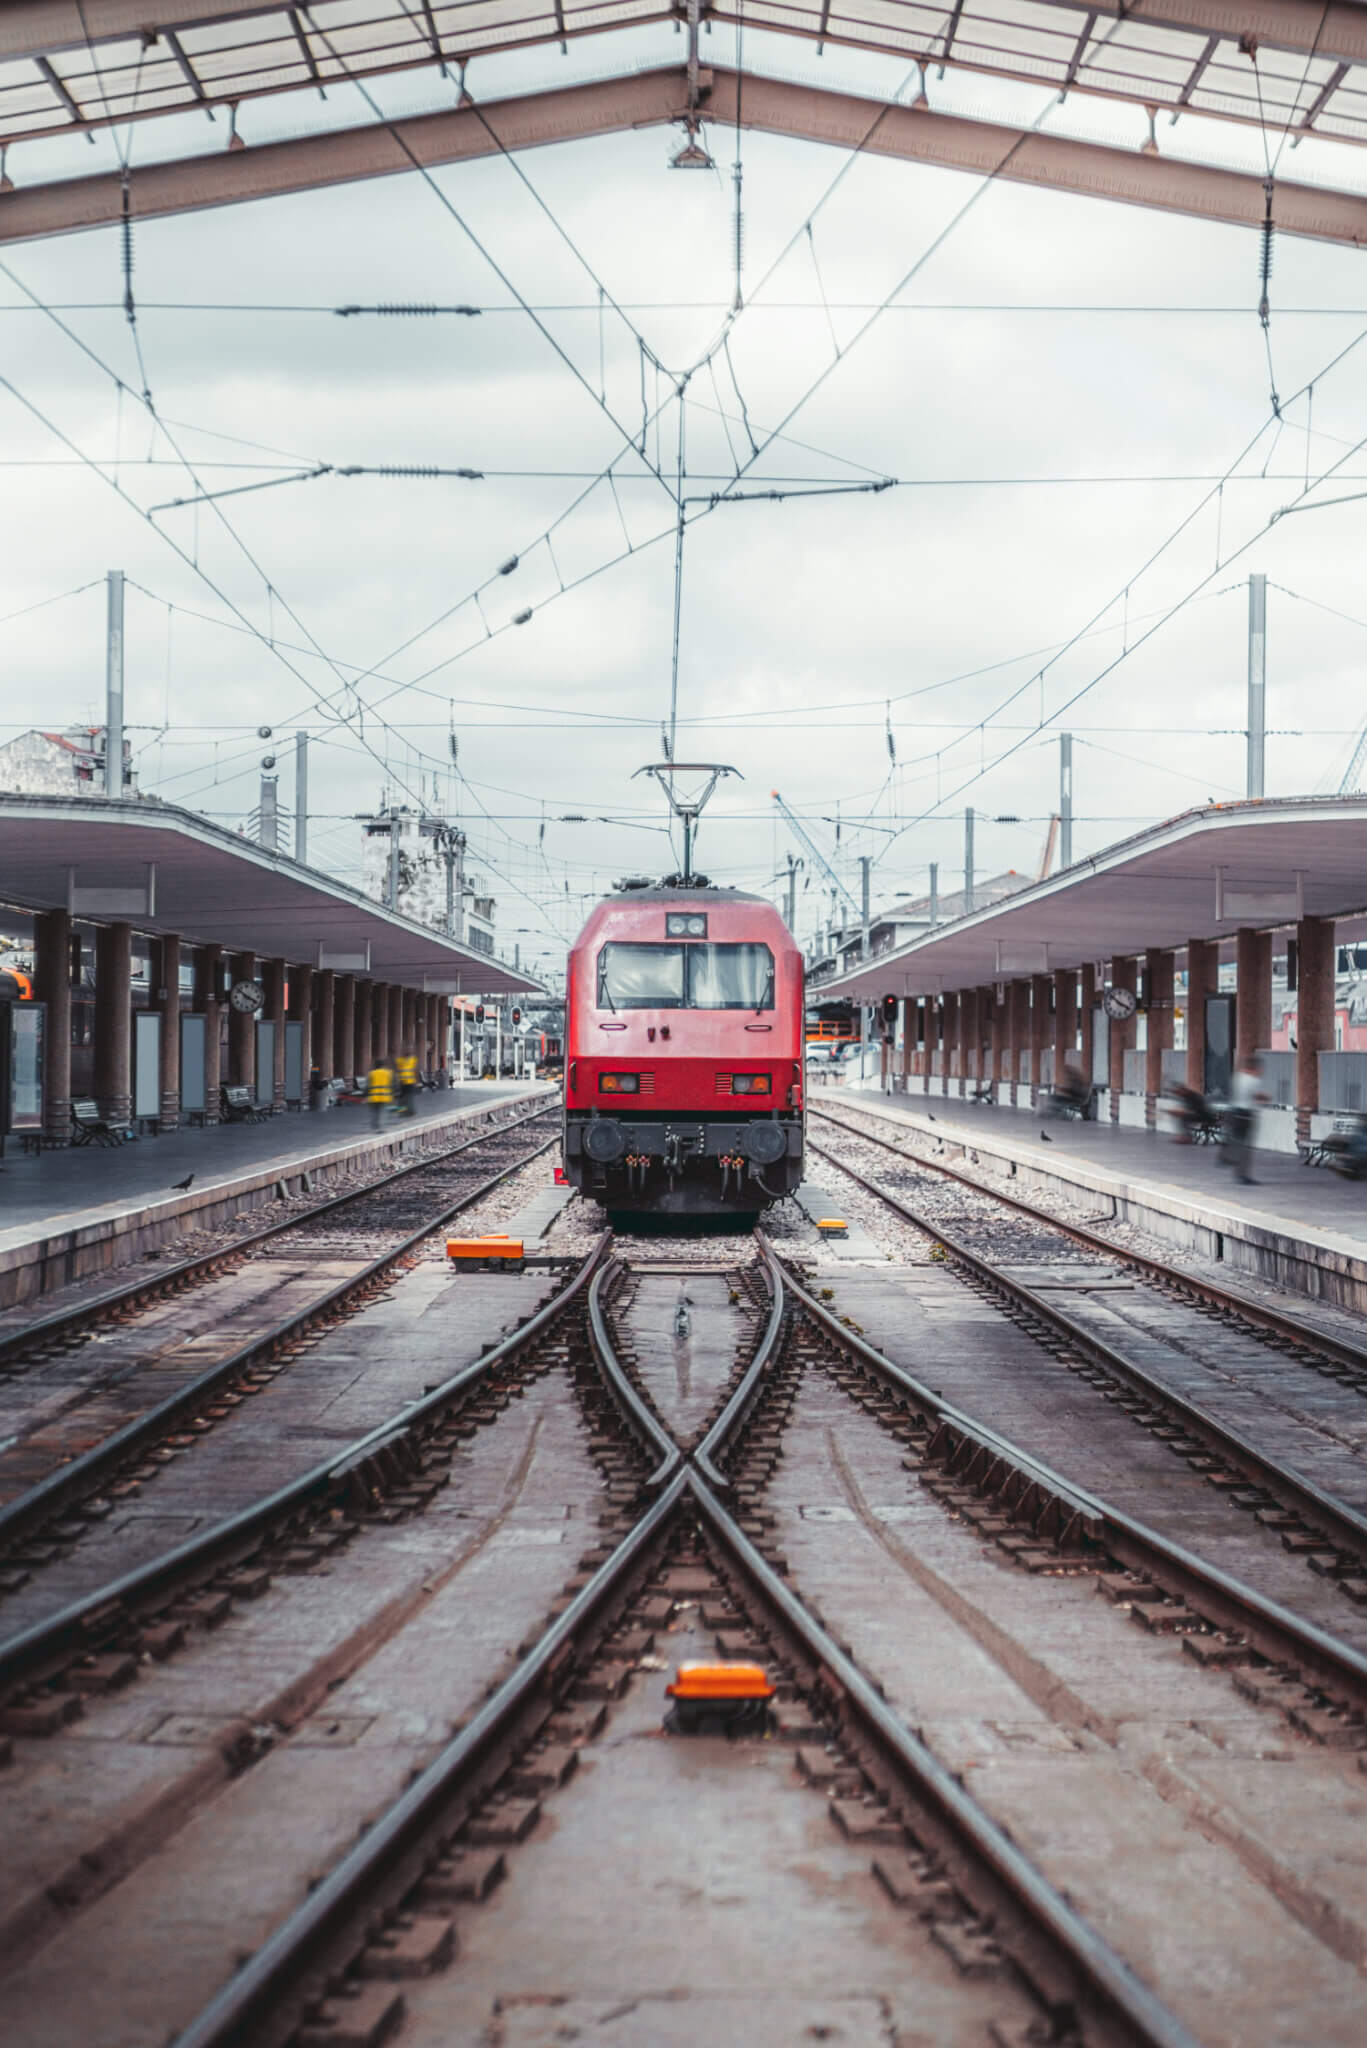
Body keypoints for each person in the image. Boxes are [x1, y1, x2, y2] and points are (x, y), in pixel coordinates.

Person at [1222, 1053, 1266, 1185]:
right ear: (1256, 1067)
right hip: (1246, 1115)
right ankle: (1242, 1173)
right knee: (1245, 1146)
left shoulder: (1237, 1077)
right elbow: (1257, 1096)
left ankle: (1230, 1161)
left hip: (1234, 1113)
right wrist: (1266, 1097)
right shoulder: (1253, 1080)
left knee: (1237, 1141)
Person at [367, 1058, 395, 1130]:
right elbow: (392, 1085)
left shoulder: (372, 1073)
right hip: (384, 1096)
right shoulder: (388, 1073)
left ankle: (374, 1125)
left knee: (374, 1112)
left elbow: (368, 1086)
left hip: (374, 1097)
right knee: (382, 1112)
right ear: (383, 1065)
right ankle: (381, 1127)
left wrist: (365, 1095)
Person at [395, 1048, 419, 1119]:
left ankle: (410, 1111)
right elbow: (397, 1069)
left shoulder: (413, 1060)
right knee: (403, 1098)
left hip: (410, 1082)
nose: (407, 1052)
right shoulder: (400, 1060)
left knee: (409, 1098)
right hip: (403, 1082)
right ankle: (404, 1112)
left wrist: (416, 1081)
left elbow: (416, 1070)